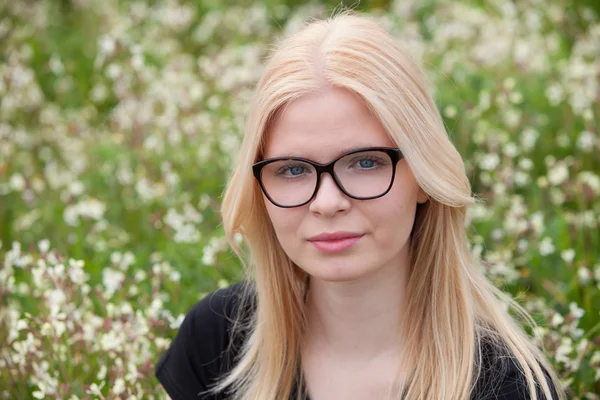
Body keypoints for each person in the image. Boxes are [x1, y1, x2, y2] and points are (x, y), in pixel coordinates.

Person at [154, 11, 565, 400]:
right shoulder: (214, 342)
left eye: (365, 162)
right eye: (293, 170)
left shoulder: (507, 385)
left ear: (424, 176)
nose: (327, 202)